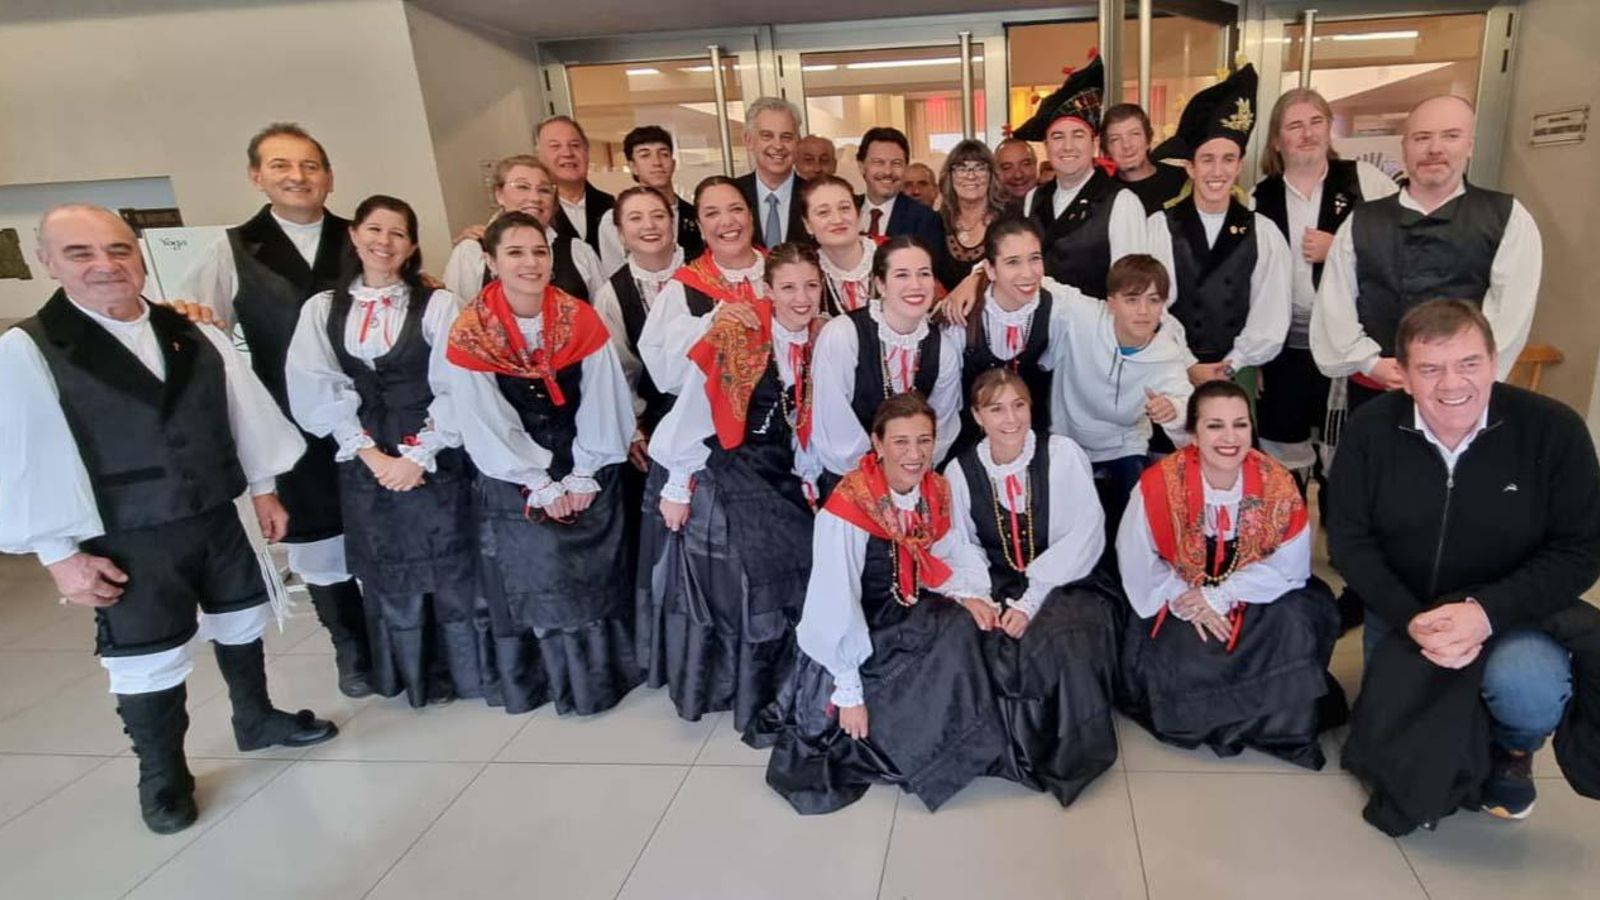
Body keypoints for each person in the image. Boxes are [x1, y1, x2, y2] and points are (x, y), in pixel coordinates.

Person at [0, 205, 337, 834]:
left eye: (118, 250)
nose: (105, 265)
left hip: (215, 511)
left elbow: (244, 413)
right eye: (81, 253)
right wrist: (58, 554)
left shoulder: (194, 333)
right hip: (125, 531)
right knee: (145, 655)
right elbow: (21, 457)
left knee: (240, 621)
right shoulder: (29, 351)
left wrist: (264, 488)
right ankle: (162, 774)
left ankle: (255, 716)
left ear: (139, 254)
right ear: (49, 262)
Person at [1332, 300, 1600, 832]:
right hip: (1408, 609)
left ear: (1494, 361)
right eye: (1430, 369)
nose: (1452, 384)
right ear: (1403, 376)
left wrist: (1484, 613)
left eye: (1469, 364)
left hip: (1511, 612)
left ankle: (1512, 750)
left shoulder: (1555, 431)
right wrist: (1411, 617)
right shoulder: (1369, 432)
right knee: (1390, 742)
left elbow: (1581, 550)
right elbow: (1350, 542)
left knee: (1529, 687)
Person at [745, 392, 1007, 814]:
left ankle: (949, 744)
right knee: (951, 637)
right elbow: (834, 596)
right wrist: (847, 690)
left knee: (969, 627)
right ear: (877, 443)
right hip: (860, 622)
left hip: (908, 604)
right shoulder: (849, 505)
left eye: (924, 441)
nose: (915, 454)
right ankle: (922, 751)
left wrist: (970, 595)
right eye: (901, 442)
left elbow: (946, 549)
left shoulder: (934, 490)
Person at [180, 122, 370, 697]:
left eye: (310, 165)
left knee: (386, 527)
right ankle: (352, 648)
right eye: (282, 166)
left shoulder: (362, 235)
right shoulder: (235, 248)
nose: (298, 177)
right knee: (319, 534)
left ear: (329, 177)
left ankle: (403, 637)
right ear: (256, 176)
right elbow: (199, 328)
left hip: (369, 411)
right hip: (291, 419)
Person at [436, 212, 640, 715]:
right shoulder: (471, 332)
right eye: (515, 253)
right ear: (490, 260)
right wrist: (538, 480)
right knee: (539, 568)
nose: (530, 263)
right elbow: (483, 417)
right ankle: (549, 680)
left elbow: (604, 397)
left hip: (585, 457)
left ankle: (606, 677)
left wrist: (583, 470)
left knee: (595, 570)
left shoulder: (580, 318)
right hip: (513, 469)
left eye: (539, 252)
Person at [285, 195, 477, 707]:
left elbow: (459, 383)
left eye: (397, 233)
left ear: (412, 245)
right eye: (375, 230)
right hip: (365, 455)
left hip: (435, 449)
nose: (384, 242)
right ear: (354, 235)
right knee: (388, 566)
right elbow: (316, 389)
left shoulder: (437, 304)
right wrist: (371, 454)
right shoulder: (323, 310)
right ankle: (409, 671)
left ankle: (463, 671)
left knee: (450, 559)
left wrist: (419, 454)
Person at [637, 242, 826, 731]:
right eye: (788, 287)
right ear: (767, 290)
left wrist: (806, 472)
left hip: (778, 466)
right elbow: (697, 409)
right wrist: (678, 484)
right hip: (725, 463)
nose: (801, 298)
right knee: (756, 560)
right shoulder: (739, 334)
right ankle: (740, 684)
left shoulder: (819, 338)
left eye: (810, 285)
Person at [1116, 380, 1342, 768]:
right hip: (1181, 593)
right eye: (1215, 425)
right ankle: (1211, 719)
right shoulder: (1159, 485)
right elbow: (1136, 558)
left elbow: (1290, 564)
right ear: (1193, 432)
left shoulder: (1277, 482)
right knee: (1188, 650)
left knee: (1297, 621)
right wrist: (1192, 600)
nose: (1229, 437)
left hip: (1254, 593)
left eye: (1240, 424)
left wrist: (1220, 595)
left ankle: (1271, 726)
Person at [946, 369, 1120, 806]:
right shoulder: (960, 470)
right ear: (977, 415)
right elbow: (960, 544)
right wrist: (981, 599)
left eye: (1019, 405)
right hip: (996, 579)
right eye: (996, 408)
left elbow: (1084, 533)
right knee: (974, 636)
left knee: (1064, 636)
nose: (1010, 418)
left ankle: (1062, 754)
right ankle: (995, 749)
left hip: (1066, 577)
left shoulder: (1061, 454)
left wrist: (1031, 599)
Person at [1312, 95, 1542, 411]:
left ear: (1470, 145)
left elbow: (1510, 315)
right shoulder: (1362, 221)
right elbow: (1335, 305)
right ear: (1404, 147)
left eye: (1450, 136)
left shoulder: (1506, 218)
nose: (1435, 148)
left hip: (1462, 395)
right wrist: (1370, 363)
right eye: (1422, 138)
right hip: (1379, 390)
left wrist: (1458, 374)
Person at [1252, 88, 1398, 475]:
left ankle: (1338, 531)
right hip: (1286, 349)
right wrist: (1256, 355)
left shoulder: (1365, 181)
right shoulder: (1255, 199)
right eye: (1295, 125)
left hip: (1350, 346)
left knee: (1347, 455)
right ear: (1277, 140)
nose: (1307, 133)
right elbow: (1248, 285)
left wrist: (1340, 249)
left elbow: (1403, 250)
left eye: (1316, 122)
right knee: (1282, 457)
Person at [1147, 64, 1292, 392]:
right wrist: (1189, 364)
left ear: (1240, 165)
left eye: (1228, 159)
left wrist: (1234, 363)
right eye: (1207, 159)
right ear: (1190, 167)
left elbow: (1270, 313)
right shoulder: (1159, 227)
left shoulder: (1263, 233)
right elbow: (1152, 305)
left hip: (1234, 372)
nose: (1218, 170)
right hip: (1171, 369)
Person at [1048, 255, 1195, 536]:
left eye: (1153, 300)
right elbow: (1032, 281)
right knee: (1065, 528)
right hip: (1068, 439)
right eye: (1132, 299)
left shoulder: (1168, 354)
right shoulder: (1082, 315)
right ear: (1111, 302)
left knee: (1135, 526)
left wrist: (1172, 408)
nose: (1143, 311)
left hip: (1124, 445)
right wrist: (976, 277)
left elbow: (1188, 405)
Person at [811, 237, 964, 489]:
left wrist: (908, 473)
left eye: (923, 274)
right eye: (902, 275)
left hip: (912, 481)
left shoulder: (943, 348)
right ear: (880, 284)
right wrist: (878, 478)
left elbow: (942, 427)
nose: (915, 285)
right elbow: (834, 422)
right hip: (851, 483)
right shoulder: (843, 335)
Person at [1013, 54, 1147, 299]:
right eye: (1057, 137)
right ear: (1046, 145)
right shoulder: (1035, 197)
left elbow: (1130, 289)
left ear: (1094, 143)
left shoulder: (1121, 202)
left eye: (1077, 135)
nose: (1067, 146)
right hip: (1042, 330)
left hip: (1096, 331)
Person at [638, 176, 769, 398]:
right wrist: (709, 325)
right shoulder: (683, 287)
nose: (727, 221)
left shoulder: (783, 270)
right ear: (700, 227)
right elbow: (663, 368)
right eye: (712, 214)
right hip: (711, 418)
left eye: (736, 209)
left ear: (751, 216)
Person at [946, 217, 1068, 455]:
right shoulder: (963, 314)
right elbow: (947, 399)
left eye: (1035, 258)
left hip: (1033, 440)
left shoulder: (1056, 306)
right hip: (972, 443)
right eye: (1013, 262)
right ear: (990, 269)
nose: (1027, 273)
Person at [594, 186, 688, 464]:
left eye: (658, 215)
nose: (649, 225)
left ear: (672, 222)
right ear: (621, 233)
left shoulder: (704, 270)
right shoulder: (611, 294)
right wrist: (632, 426)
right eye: (635, 218)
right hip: (657, 418)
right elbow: (619, 369)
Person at [442, 155, 605, 302]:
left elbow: (604, 318)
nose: (535, 198)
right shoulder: (471, 252)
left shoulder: (579, 251)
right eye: (522, 187)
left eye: (544, 190)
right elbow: (457, 322)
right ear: (499, 194)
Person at [596, 125, 704, 273]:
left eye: (663, 154)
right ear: (632, 166)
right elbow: (616, 271)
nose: (657, 162)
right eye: (645, 155)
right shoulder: (615, 219)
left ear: (673, 164)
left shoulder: (694, 214)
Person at [933, 139, 1010, 291]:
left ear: (991, 175)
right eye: (961, 168)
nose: (971, 176)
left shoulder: (1009, 222)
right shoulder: (935, 222)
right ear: (950, 176)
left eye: (980, 168)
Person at [735, 97, 809, 248]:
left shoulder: (814, 195)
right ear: (749, 140)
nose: (778, 145)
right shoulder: (733, 193)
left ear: (798, 142)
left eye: (786, 137)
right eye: (767, 136)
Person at [855, 126, 944, 249]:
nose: (887, 172)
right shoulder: (845, 209)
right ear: (861, 166)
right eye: (878, 162)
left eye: (896, 163)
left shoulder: (925, 219)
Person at [537, 114, 614, 253]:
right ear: (539, 156)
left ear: (586, 152)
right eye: (555, 146)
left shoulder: (612, 206)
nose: (567, 153)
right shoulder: (535, 211)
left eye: (575, 145)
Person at [800, 174, 875, 316]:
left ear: (858, 214)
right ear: (808, 224)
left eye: (844, 208)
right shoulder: (805, 272)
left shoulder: (894, 256)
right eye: (823, 212)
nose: (837, 219)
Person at [1102, 103, 1189, 214]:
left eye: (1134, 134)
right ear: (1107, 149)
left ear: (1148, 140)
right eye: (1115, 139)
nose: (1126, 145)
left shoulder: (1182, 181)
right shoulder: (1103, 194)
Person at [994, 137, 1039, 210]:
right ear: (996, 172)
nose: (1018, 175)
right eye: (1007, 167)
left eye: (1025, 164)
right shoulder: (989, 214)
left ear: (1035, 165)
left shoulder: (1054, 204)